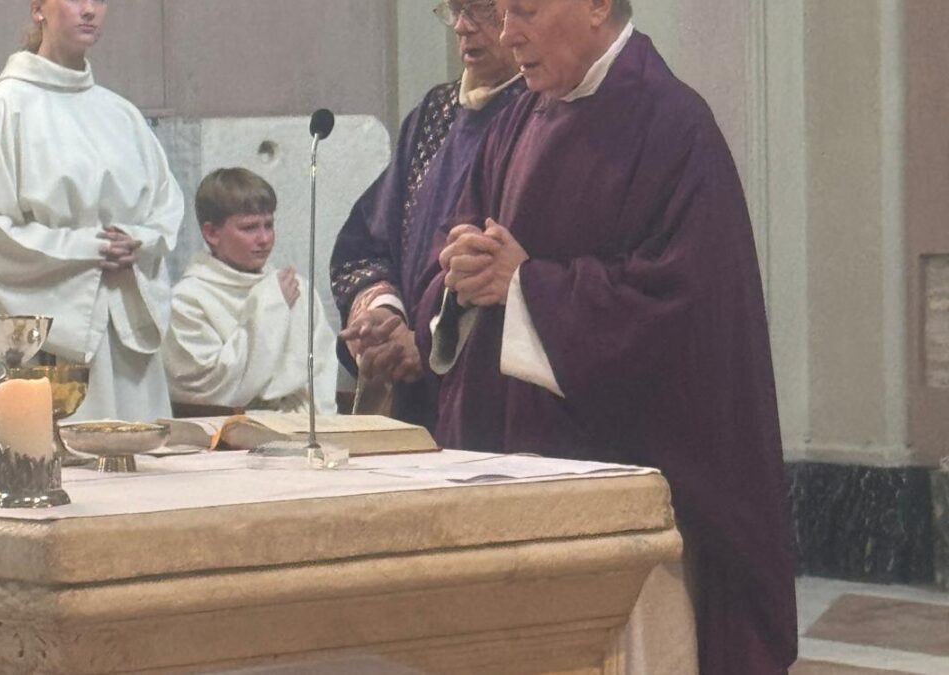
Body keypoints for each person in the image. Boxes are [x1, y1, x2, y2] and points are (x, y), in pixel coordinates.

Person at [419, 1, 797, 673]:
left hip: (634, 504)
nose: (507, 34)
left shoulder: (673, 126)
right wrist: (462, 273)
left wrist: (526, 287)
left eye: (526, 10)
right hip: (511, 479)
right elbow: (461, 245)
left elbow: (681, 311)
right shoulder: (517, 119)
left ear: (597, 5)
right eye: (502, 12)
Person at [0, 0, 184, 423]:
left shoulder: (122, 115)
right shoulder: (0, 110)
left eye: (99, 0)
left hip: (120, 331)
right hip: (44, 338)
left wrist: (138, 240)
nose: (90, 10)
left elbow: (164, 206)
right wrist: (86, 248)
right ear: (38, 9)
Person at [330, 0, 522, 426]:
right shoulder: (435, 113)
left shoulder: (539, 114)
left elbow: (516, 268)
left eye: (480, 9)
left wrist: (428, 341)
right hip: (412, 399)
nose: (462, 27)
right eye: (454, 10)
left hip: (491, 395)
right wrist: (384, 314)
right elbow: (367, 242)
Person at [162, 168, 337, 414]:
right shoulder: (187, 301)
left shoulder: (295, 288)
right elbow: (214, 389)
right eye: (249, 228)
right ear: (212, 233)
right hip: (225, 430)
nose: (264, 239)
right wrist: (271, 307)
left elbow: (322, 373)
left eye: (269, 225)